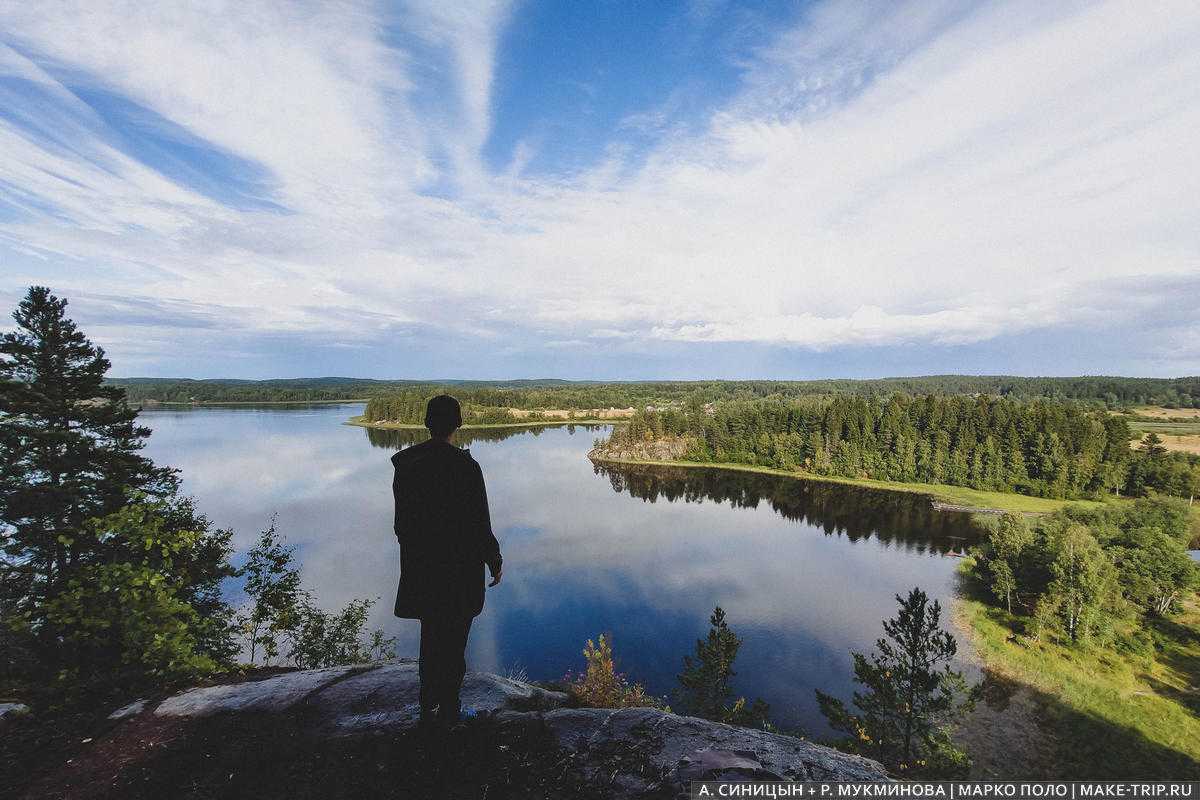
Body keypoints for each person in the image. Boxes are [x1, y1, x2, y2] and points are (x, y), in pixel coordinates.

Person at [391, 394, 503, 727]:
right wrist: (493, 560)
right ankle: (450, 713)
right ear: (458, 424)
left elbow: (402, 526)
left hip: (423, 570)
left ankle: (428, 708)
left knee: (430, 640)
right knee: (454, 644)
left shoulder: (407, 466)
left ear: (427, 423)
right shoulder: (465, 467)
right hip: (458, 571)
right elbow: (479, 522)